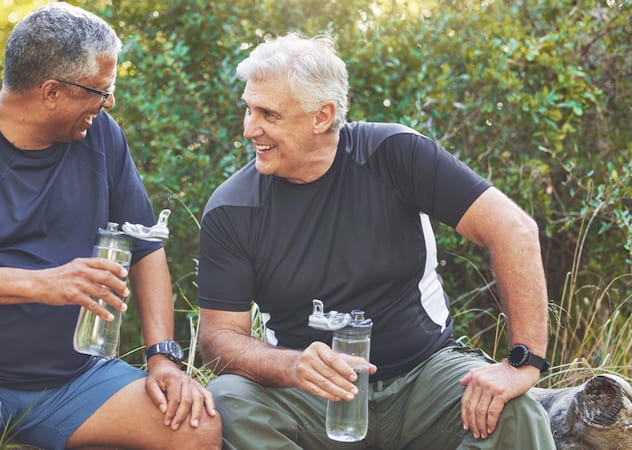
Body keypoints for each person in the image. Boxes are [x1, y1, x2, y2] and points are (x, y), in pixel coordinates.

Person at [0, 3, 221, 449]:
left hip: (70, 378)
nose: (109, 102)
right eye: (100, 90)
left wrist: (162, 358)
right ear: (52, 91)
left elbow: (146, 248)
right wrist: (43, 284)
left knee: (195, 428)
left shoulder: (103, 138)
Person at [197, 33, 555, 449]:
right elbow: (219, 339)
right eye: (248, 109)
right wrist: (292, 366)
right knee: (226, 402)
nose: (248, 129)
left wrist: (523, 363)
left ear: (322, 116)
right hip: (311, 398)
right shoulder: (231, 208)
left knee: (515, 412)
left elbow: (514, 230)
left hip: (423, 378)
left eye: (268, 114)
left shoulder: (393, 154)